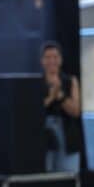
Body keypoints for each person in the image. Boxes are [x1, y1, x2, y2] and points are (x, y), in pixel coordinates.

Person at [40, 41, 82, 173]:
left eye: (55, 57)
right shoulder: (36, 82)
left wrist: (60, 95)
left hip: (67, 133)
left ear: (61, 60)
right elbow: (32, 111)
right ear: (42, 61)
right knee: (45, 175)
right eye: (48, 57)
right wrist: (51, 97)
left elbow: (76, 111)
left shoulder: (71, 81)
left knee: (68, 176)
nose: (51, 61)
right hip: (44, 135)